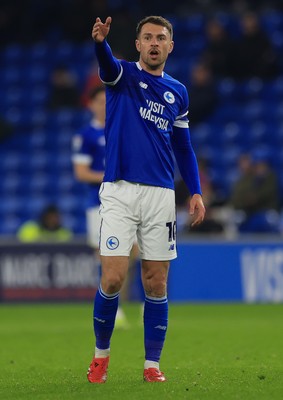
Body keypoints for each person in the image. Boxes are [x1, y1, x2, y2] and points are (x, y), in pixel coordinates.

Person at [87, 15, 205, 384]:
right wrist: (100, 43)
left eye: (161, 38)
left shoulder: (178, 92)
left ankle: (152, 365)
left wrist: (196, 190)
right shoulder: (122, 76)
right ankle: (101, 357)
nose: (154, 43)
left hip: (160, 195)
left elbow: (183, 146)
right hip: (120, 190)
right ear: (138, 44)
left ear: (170, 46)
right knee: (113, 278)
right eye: (148, 37)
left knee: (156, 282)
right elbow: (106, 65)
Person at [72, 86, 135, 328]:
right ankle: (113, 308)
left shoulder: (122, 129)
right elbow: (81, 173)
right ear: (91, 104)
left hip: (128, 200)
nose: (104, 105)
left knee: (134, 253)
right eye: (100, 101)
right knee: (106, 257)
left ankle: (127, 302)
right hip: (98, 204)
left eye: (107, 101)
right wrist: (111, 176)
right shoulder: (86, 135)